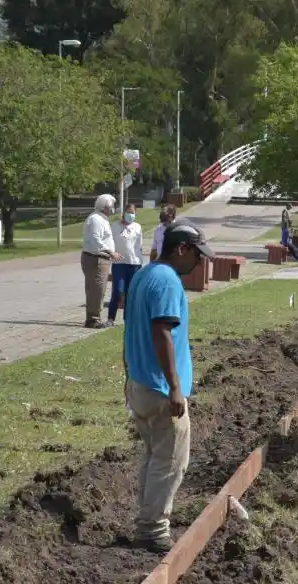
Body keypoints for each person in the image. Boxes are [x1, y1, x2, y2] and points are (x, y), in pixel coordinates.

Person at [122, 221, 214, 553]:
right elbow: (161, 332)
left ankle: (147, 521)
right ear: (181, 249)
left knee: (154, 456)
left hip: (141, 383)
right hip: (160, 389)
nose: (199, 263)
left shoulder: (144, 275)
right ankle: (153, 529)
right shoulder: (167, 282)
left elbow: (130, 328)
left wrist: (128, 373)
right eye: (197, 255)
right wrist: (175, 387)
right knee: (172, 460)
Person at [81, 194, 121, 329]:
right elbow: (95, 240)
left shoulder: (102, 219)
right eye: (111, 206)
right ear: (105, 207)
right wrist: (110, 252)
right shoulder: (95, 219)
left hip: (101, 259)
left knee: (99, 289)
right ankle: (93, 319)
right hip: (96, 259)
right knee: (96, 289)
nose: (113, 209)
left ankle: (94, 316)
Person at [109, 203, 144, 324]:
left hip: (134, 263)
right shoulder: (115, 226)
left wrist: (140, 262)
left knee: (131, 292)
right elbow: (109, 241)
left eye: (133, 212)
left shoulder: (137, 227)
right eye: (128, 212)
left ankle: (127, 318)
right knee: (118, 290)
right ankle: (110, 318)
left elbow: (139, 246)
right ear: (123, 213)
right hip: (119, 262)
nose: (130, 215)